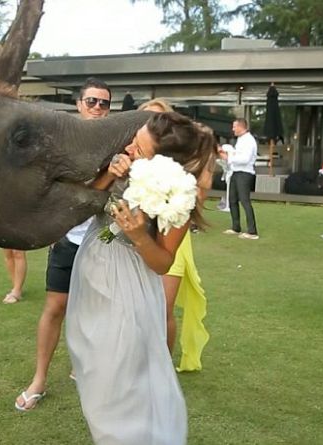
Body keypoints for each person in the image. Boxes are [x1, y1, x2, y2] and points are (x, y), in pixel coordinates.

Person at [66, 112, 216, 444]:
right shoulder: (119, 160)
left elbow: (163, 263)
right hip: (92, 267)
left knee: (117, 379)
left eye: (141, 147)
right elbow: (78, 205)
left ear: (164, 161)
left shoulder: (178, 195)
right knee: (93, 372)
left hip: (127, 286)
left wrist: (141, 238)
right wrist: (107, 175)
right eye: (135, 139)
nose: (131, 147)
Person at [14, 77, 111, 411]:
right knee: (55, 308)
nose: (98, 108)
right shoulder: (62, 145)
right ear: (79, 104)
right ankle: (39, 379)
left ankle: (84, 366)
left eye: (104, 103)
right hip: (68, 241)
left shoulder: (118, 145)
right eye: (92, 102)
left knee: (98, 312)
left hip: (104, 242)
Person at [139, 100, 211, 369]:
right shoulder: (129, 159)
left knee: (162, 309)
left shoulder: (181, 172)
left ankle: (163, 368)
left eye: (159, 120)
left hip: (173, 240)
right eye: (147, 121)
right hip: (134, 242)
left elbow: (201, 188)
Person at [220, 118, 259, 240]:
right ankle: (236, 227)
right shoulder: (240, 140)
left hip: (245, 173)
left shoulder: (249, 140)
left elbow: (245, 159)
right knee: (232, 199)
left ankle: (252, 231)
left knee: (244, 201)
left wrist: (229, 157)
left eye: (234, 126)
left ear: (241, 127)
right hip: (236, 172)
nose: (233, 129)